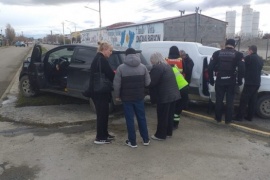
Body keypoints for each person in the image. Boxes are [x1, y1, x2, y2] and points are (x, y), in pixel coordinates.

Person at [113, 48, 151, 148]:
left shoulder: (121, 68)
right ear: (136, 55)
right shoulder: (143, 67)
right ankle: (146, 139)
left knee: (130, 119)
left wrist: (117, 96)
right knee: (141, 118)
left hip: (126, 98)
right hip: (139, 97)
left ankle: (132, 142)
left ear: (126, 55)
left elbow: (116, 85)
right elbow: (148, 82)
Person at [208, 39, 245, 124]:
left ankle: (218, 119)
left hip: (220, 80)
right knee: (230, 101)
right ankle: (228, 120)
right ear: (234, 45)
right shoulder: (238, 54)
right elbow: (242, 69)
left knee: (219, 100)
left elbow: (210, 67)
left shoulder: (217, 53)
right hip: (231, 81)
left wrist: (211, 80)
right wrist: (239, 81)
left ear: (226, 44)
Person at [148, 52, 181, 140]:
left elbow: (152, 82)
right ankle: (168, 133)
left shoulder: (157, 68)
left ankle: (160, 135)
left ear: (154, 60)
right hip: (173, 95)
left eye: (151, 60)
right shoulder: (167, 66)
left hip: (164, 96)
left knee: (162, 116)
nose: (151, 62)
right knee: (169, 115)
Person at [91, 41, 115, 144]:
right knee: (102, 114)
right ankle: (100, 137)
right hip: (100, 91)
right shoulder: (101, 59)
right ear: (104, 50)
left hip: (97, 91)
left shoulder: (97, 58)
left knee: (104, 114)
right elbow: (110, 74)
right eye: (110, 50)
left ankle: (104, 133)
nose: (111, 53)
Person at [234, 45, 264, 121]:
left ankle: (239, 117)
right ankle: (250, 117)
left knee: (244, 100)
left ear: (251, 50)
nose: (247, 51)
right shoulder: (260, 59)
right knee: (252, 101)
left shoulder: (249, 58)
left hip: (249, 82)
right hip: (257, 82)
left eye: (248, 50)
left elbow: (242, 67)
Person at [172, 65, 189, 130]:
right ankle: (175, 124)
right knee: (178, 109)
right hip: (185, 87)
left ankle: (173, 124)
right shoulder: (174, 68)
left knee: (175, 108)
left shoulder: (168, 70)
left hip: (180, 89)